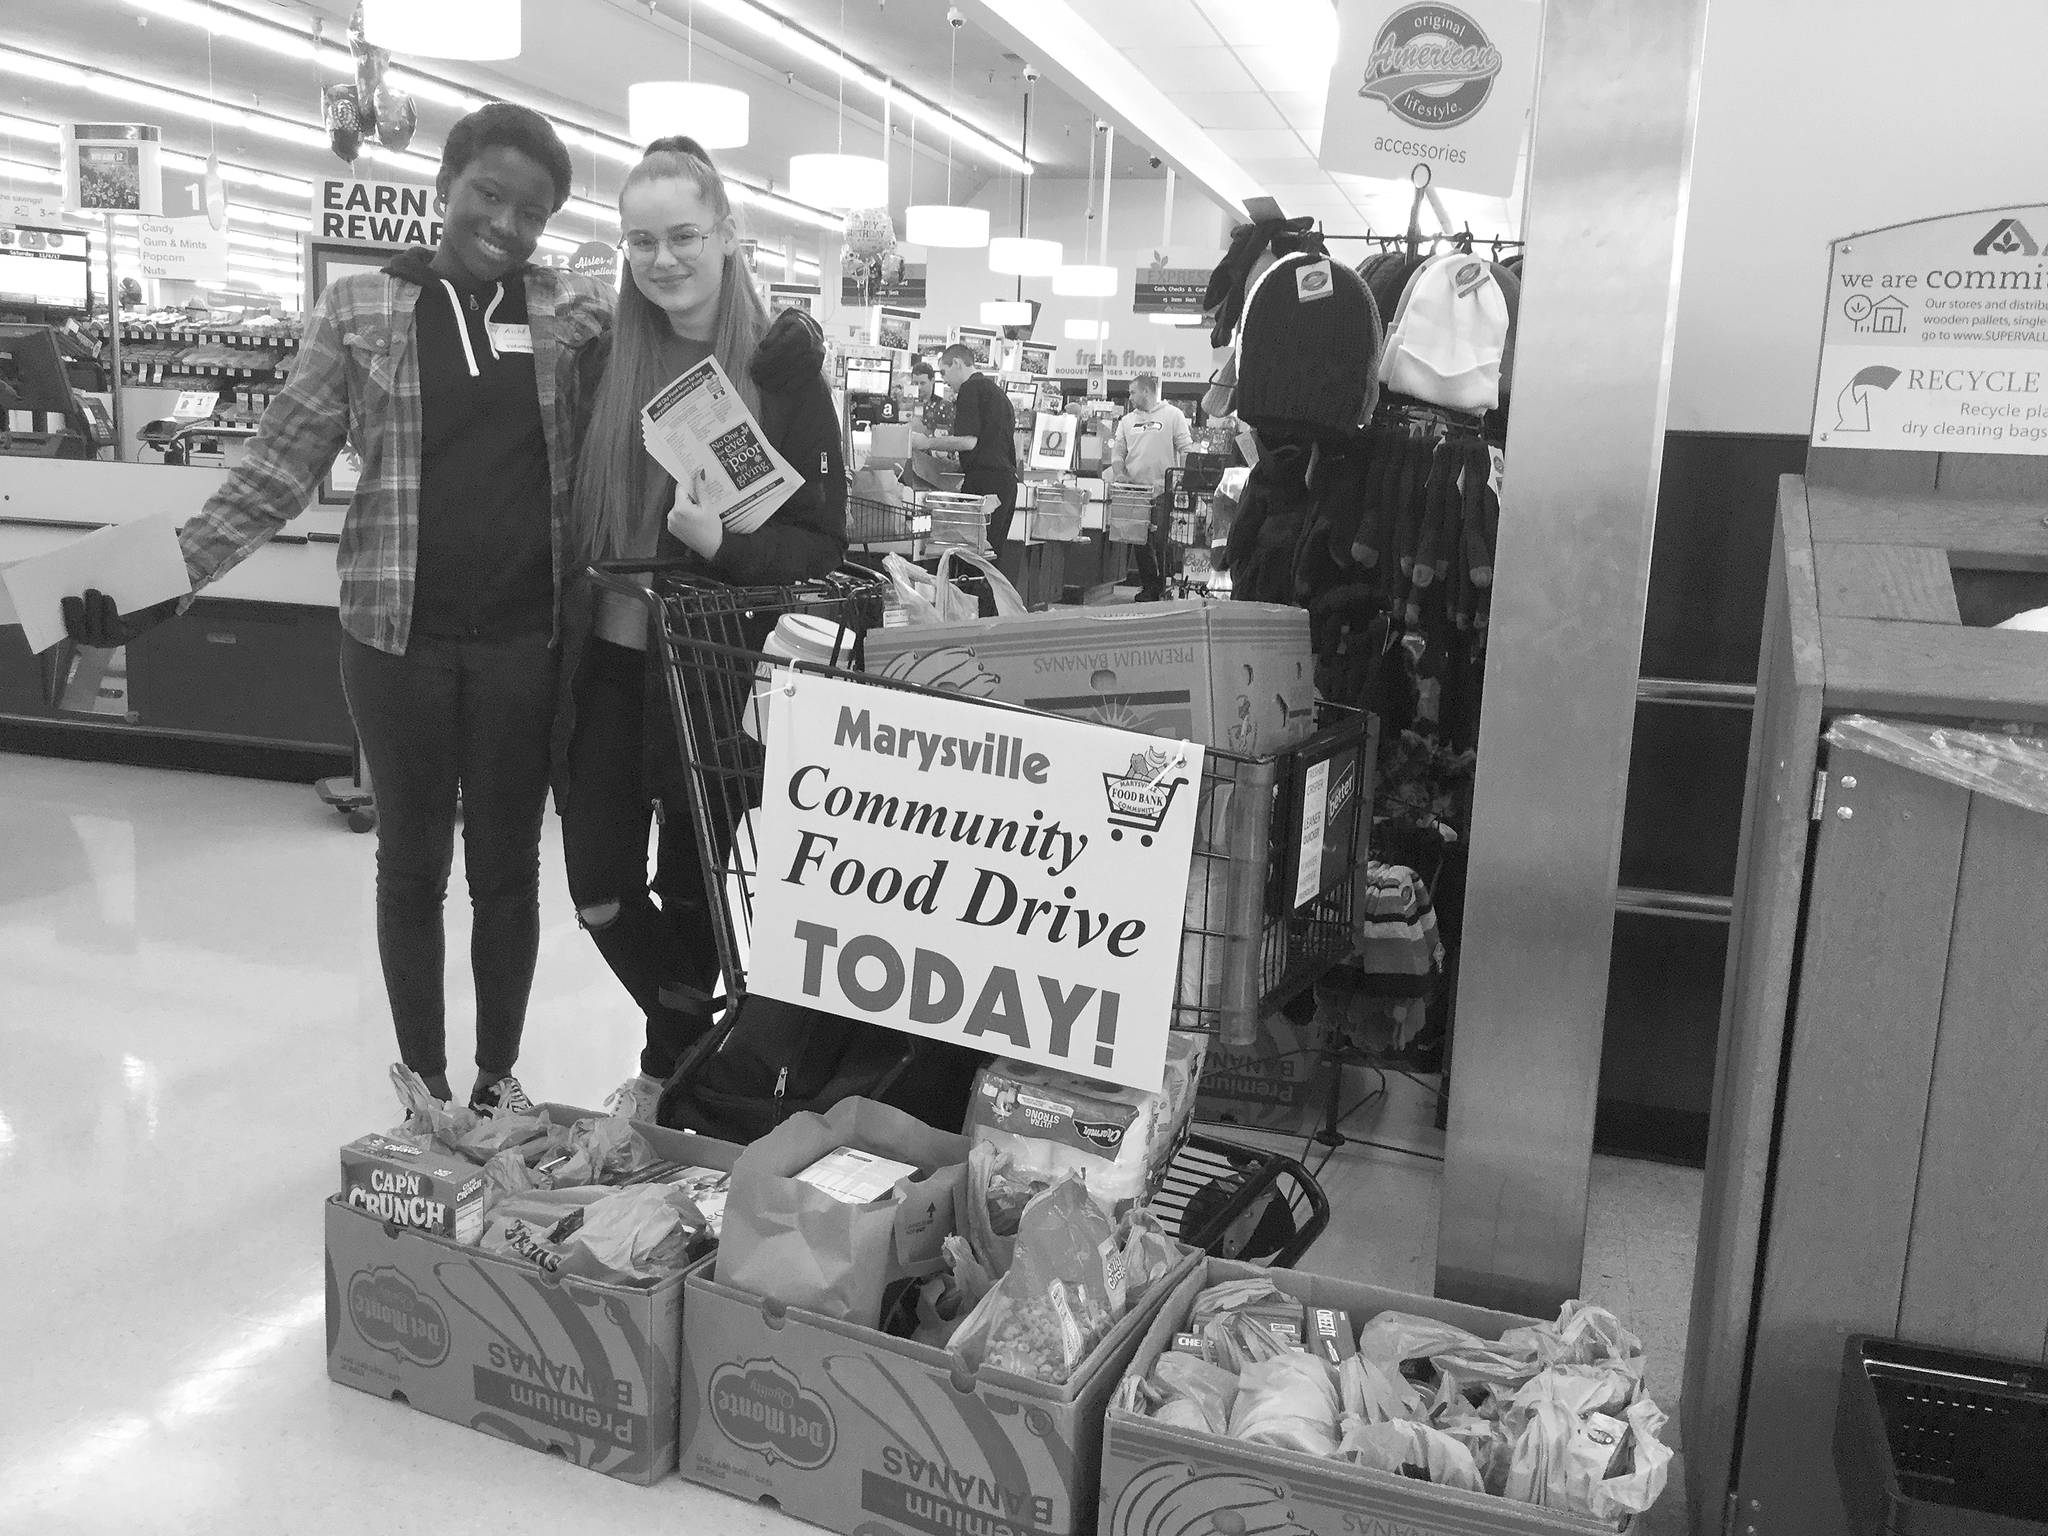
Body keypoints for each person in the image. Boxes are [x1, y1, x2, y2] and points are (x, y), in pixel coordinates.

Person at [61, 104, 613, 1111]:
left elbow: (663, 380)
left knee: (506, 872)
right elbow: (276, 468)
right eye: (488, 194)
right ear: (444, 188)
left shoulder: (573, 318)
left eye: (531, 211)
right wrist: (159, 586)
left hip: (525, 645)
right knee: (411, 867)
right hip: (393, 637)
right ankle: (426, 1083)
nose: (505, 223)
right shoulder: (361, 310)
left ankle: (496, 1082)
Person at [555, 136, 846, 1121]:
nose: (662, 259)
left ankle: (667, 1082)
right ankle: (703, 1041)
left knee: (690, 891)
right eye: (641, 241)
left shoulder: (780, 364)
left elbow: (817, 544)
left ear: (727, 234)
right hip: (604, 662)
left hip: (713, 673)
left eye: (682, 235)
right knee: (597, 886)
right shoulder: (605, 356)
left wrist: (718, 543)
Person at [914, 343, 1018, 551]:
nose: (944, 379)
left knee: (971, 555)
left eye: (944, 371)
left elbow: (968, 441)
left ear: (957, 363)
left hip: (985, 484)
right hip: (1005, 484)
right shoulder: (996, 392)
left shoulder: (970, 389)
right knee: (990, 556)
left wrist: (926, 442)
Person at [1108, 372, 1193, 601]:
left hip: (1164, 490)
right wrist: (1120, 473)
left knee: (1161, 541)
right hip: (1135, 491)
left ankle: (1162, 583)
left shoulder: (1173, 415)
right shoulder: (1127, 421)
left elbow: (1186, 448)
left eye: (1133, 392)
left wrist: (1184, 480)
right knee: (1139, 541)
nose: (1130, 396)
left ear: (1146, 390)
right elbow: (1118, 451)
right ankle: (1149, 587)